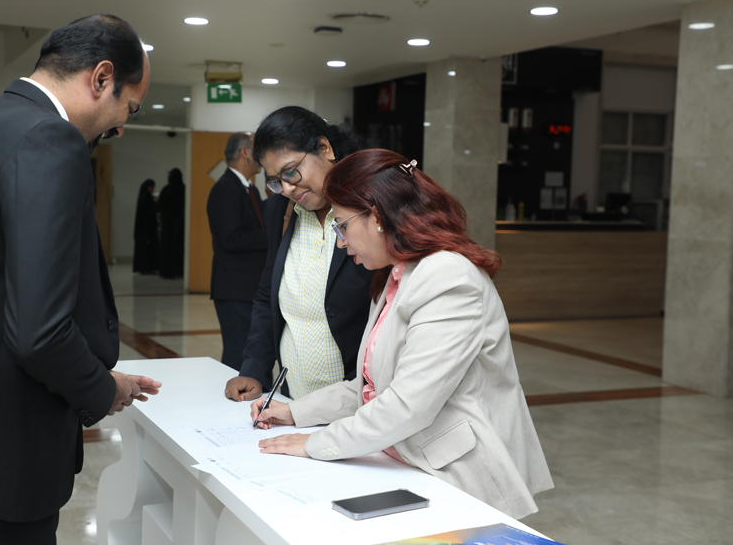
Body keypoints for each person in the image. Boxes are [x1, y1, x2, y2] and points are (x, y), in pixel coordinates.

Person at [0, 14, 162, 544]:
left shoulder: (0, 119)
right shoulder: (48, 139)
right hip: (0, 445)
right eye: (128, 109)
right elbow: (39, 331)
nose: (120, 128)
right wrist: (101, 387)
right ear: (101, 78)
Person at [252, 149, 554, 520]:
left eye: (342, 226)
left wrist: (315, 443)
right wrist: (293, 412)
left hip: (455, 474)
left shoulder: (447, 276)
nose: (341, 242)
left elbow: (408, 405)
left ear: (377, 217)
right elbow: (370, 386)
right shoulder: (397, 275)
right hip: (402, 458)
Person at [224, 106, 374, 401]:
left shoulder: (368, 207)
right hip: (293, 398)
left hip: (355, 400)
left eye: (291, 171)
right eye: (275, 180)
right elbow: (268, 294)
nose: (287, 188)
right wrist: (254, 369)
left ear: (324, 148)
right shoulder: (280, 210)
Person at [207, 132, 268, 370]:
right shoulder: (225, 189)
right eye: (257, 148)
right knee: (238, 353)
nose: (262, 155)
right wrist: (273, 236)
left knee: (251, 351)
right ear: (244, 152)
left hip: (249, 287)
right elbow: (231, 239)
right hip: (235, 289)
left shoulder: (250, 189)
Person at [158, 168, 185, 279]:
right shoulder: (183, 189)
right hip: (180, 224)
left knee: (167, 247)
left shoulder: (166, 190)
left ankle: (167, 271)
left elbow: (160, 207)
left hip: (167, 224)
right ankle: (179, 270)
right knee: (179, 247)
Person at [133, 178, 159, 274]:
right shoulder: (145, 197)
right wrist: (156, 203)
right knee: (146, 249)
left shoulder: (145, 196)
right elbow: (149, 211)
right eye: (151, 187)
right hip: (145, 229)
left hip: (144, 229)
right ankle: (146, 268)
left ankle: (146, 268)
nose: (152, 189)